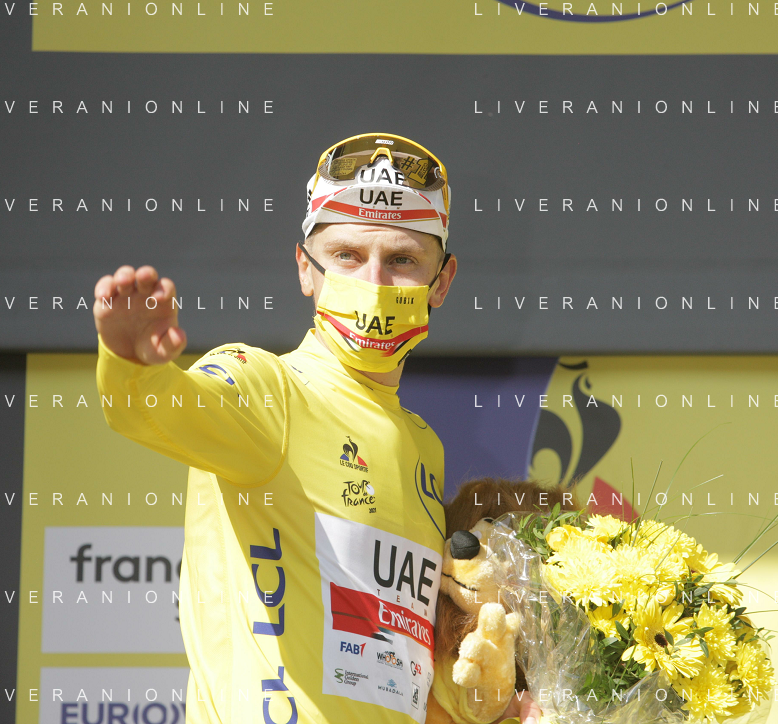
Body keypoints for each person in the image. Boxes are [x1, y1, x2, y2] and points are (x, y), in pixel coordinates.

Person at [93, 134, 539, 724]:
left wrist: (493, 706)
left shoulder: (422, 447)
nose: (374, 282)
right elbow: (159, 410)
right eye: (347, 255)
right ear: (306, 268)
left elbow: (400, 676)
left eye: (402, 260)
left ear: (442, 281)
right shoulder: (268, 389)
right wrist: (132, 365)